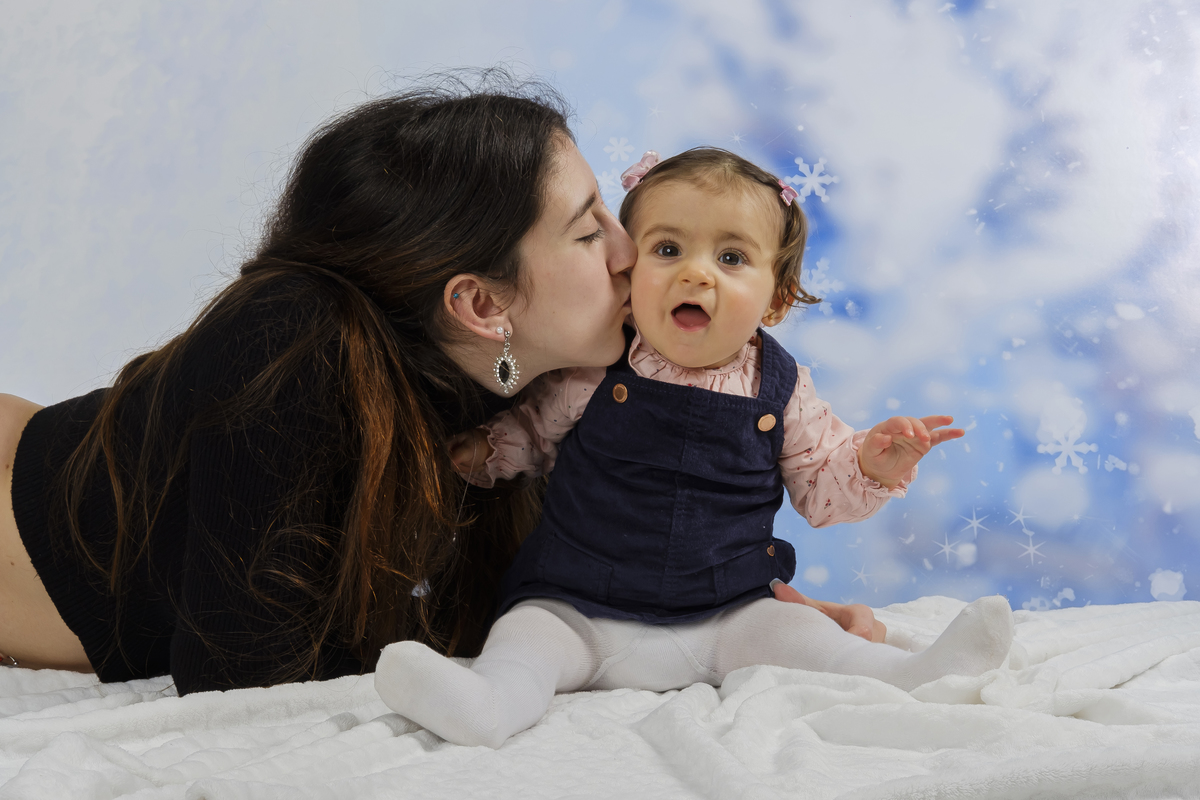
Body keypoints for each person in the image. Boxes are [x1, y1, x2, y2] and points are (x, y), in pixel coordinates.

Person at [0, 75, 879, 694]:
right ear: (480, 303)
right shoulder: (289, 344)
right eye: (588, 232)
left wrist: (718, 619)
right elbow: (239, 678)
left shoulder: (532, 388)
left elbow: (530, 582)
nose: (630, 253)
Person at [374, 148, 1015, 748]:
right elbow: (535, 434)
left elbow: (821, 488)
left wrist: (871, 464)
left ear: (779, 297)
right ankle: (487, 704)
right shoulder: (596, 370)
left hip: (726, 615)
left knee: (807, 637)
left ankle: (918, 674)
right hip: (577, 604)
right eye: (668, 247)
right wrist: (484, 451)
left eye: (731, 258)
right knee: (523, 639)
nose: (694, 272)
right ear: (630, 271)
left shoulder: (783, 389)